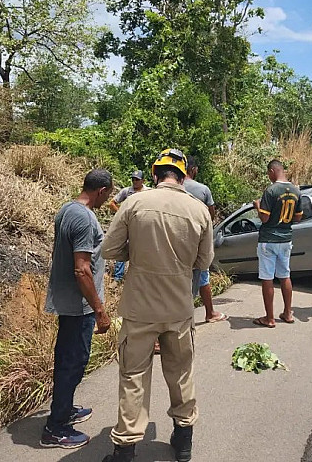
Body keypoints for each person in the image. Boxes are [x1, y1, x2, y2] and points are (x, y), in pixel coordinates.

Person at [100, 148, 214, 462]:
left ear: (154, 174)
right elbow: (204, 261)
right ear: (185, 174)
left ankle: (125, 448)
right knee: (181, 374)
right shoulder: (199, 210)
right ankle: (184, 441)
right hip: (179, 308)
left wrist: (137, 255)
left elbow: (109, 249)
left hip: (139, 308)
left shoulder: (134, 202)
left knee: (134, 375)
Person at [40, 169, 114, 449]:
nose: (107, 202)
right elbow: (82, 269)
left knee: (69, 359)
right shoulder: (84, 218)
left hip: (69, 302)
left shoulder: (67, 210)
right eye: (107, 196)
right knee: (73, 362)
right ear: (102, 191)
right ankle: (55, 428)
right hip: (78, 305)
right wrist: (100, 310)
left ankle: (65, 409)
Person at [252, 159, 303, 328]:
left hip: (269, 239)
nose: (269, 176)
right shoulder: (296, 191)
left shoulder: (271, 190)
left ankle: (270, 318)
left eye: (268, 173)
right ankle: (288, 313)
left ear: (273, 171)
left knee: (267, 278)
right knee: (285, 275)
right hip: (286, 238)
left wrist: (257, 207)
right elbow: (298, 217)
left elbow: (264, 218)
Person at [183, 156, 227, 324]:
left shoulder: (170, 188)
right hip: (197, 242)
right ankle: (209, 313)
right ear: (193, 170)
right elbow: (210, 215)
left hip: (173, 243)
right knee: (202, 276)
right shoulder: (202, 189)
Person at [108, 170, 149, 281]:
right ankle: (118, 277)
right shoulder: (126, 191)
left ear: (142, 181)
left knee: (142, 250)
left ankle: (138, 277)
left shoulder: (148, 192)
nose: (134, 182)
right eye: (133, 179)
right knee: (123, 248)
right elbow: (112, 203)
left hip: (143, 225)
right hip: (129, 224)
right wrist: (121, 214)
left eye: (137, 180)